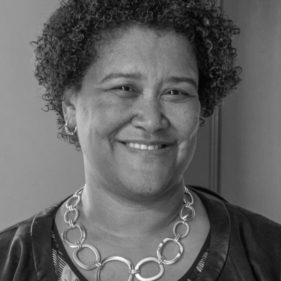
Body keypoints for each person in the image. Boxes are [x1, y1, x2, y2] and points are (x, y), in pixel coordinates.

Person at [1, 0, 281, 280]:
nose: (152, 120)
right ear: (71, 109)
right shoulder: (7, 261)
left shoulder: (272, 255)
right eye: (124, 88)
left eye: (176, 92)